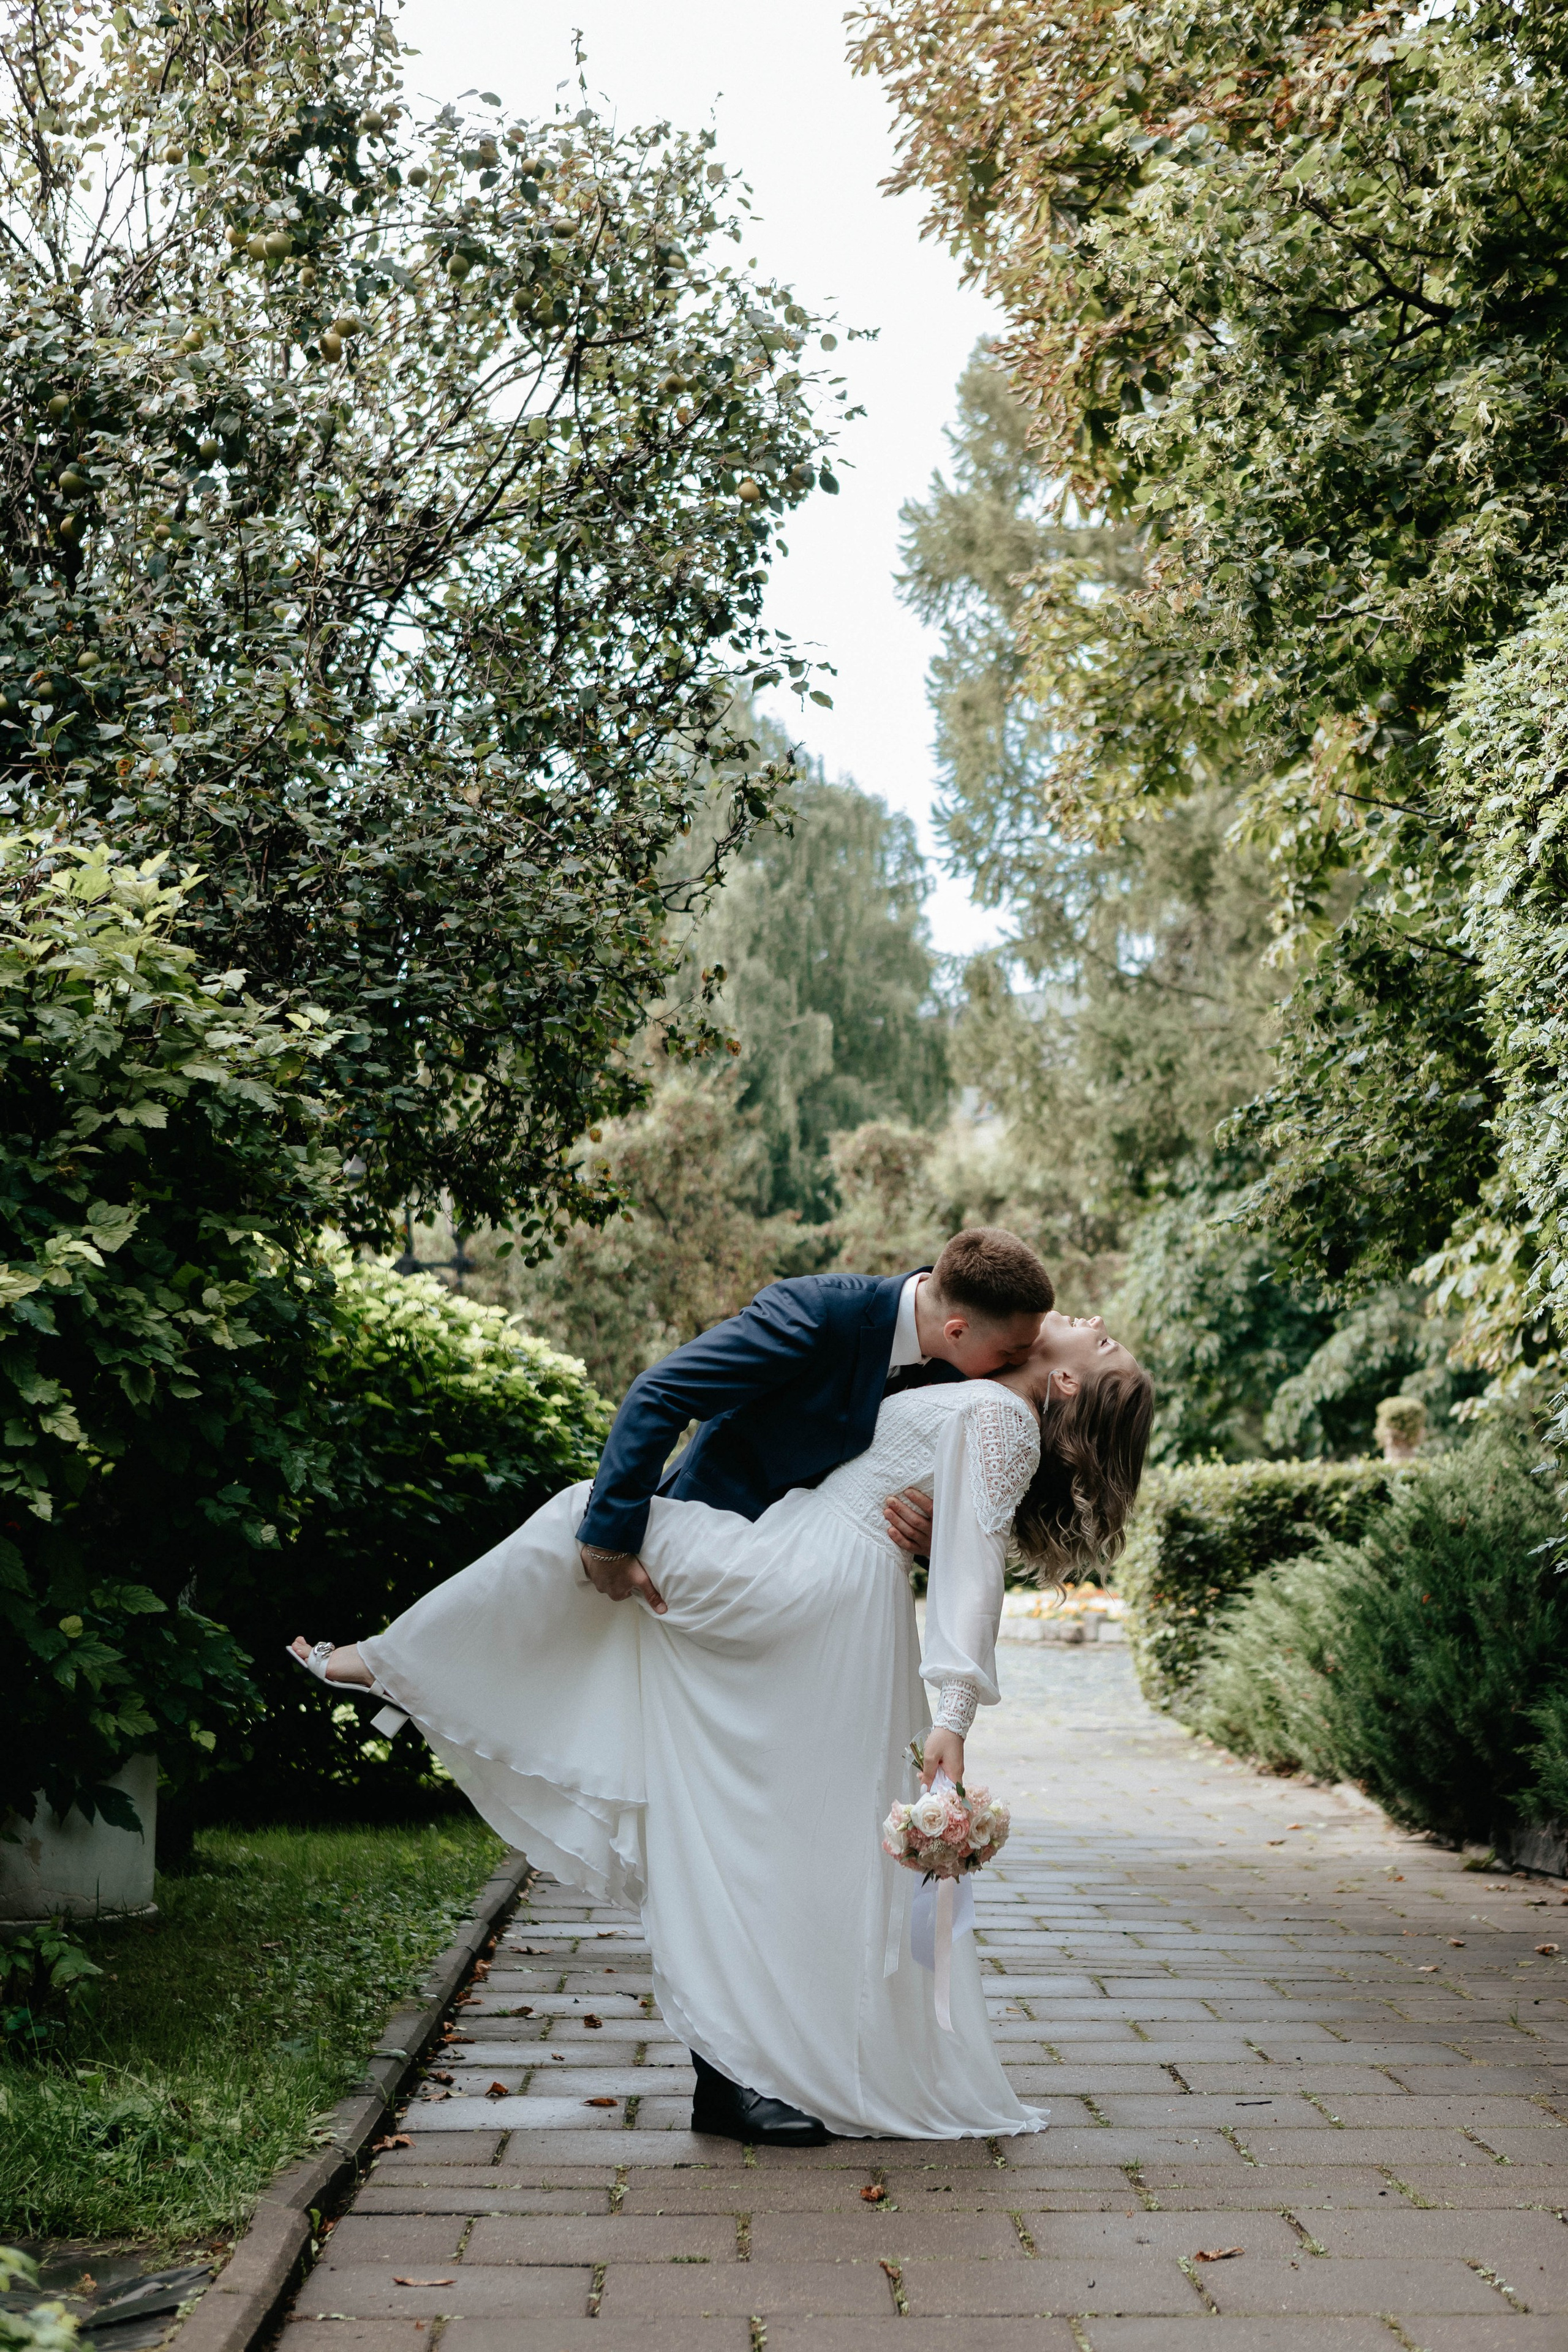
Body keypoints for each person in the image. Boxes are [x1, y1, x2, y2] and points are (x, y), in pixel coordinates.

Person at [289, 1305, 1154, 2146]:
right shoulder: (972, 1370)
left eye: (1102, 1341)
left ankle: (386, 1663)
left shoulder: (1002, 1417)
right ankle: (744, 2065)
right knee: (762, 1826)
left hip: (812, 1582)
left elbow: (972, 1579)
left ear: (1070, 1379)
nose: (1090, 1315)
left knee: (583, 1519)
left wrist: (954, 1719)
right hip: (813, 1567)